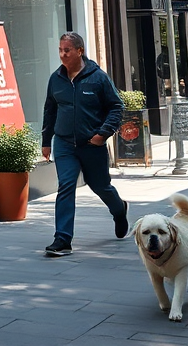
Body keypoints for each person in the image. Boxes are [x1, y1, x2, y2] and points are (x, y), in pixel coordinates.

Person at [41, 31, 129, 257]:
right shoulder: (55, 78)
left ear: (79, 51)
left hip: (92, 144)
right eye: (60, 50)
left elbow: (116, 107)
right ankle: (62, 239)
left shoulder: (98, 77)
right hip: (64, 144)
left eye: (66, 50)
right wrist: (46, 140)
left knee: (100, 186)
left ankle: (119, 209)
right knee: (66, 186)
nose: (62, 55)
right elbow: (50, 110)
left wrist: (103, 134)